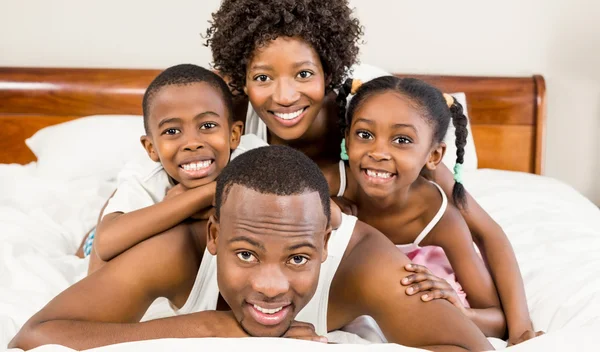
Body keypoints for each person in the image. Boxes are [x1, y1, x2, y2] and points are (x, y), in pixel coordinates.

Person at [206, 0, 539, 344]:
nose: (284, 97)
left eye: (303, 75)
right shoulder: (232, 118)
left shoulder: (374, 127)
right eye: (263, 78)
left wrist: (522, 327)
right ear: (243, 78)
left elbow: (484, 229)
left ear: (328, 71)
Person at [10, 146, 492, 351]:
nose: (269, 286)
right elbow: (34, 335)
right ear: (215, 238)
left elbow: (467, 348)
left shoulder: (365, 262)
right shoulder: (177, 252)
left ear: (325, 244)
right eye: (245, 255)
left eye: (299, 259)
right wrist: (213, 326)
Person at [338, 76, 543, 341]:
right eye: (365, 135)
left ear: (434, 156)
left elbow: (487, 233)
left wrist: (521, 330)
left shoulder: (439, 210)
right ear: (347, 136)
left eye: (401, 140)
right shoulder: (331, 179)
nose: (378, 152)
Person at [78, 63, 253, 274]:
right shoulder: (145, 174)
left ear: (234, 135)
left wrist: (198, 195)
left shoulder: (251, 155)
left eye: (207, 126)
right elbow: (105, 244)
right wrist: (205, 194)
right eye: (172, 130)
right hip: (116, 230)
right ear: (151, 148)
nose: (192, 142)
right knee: (93, 241)